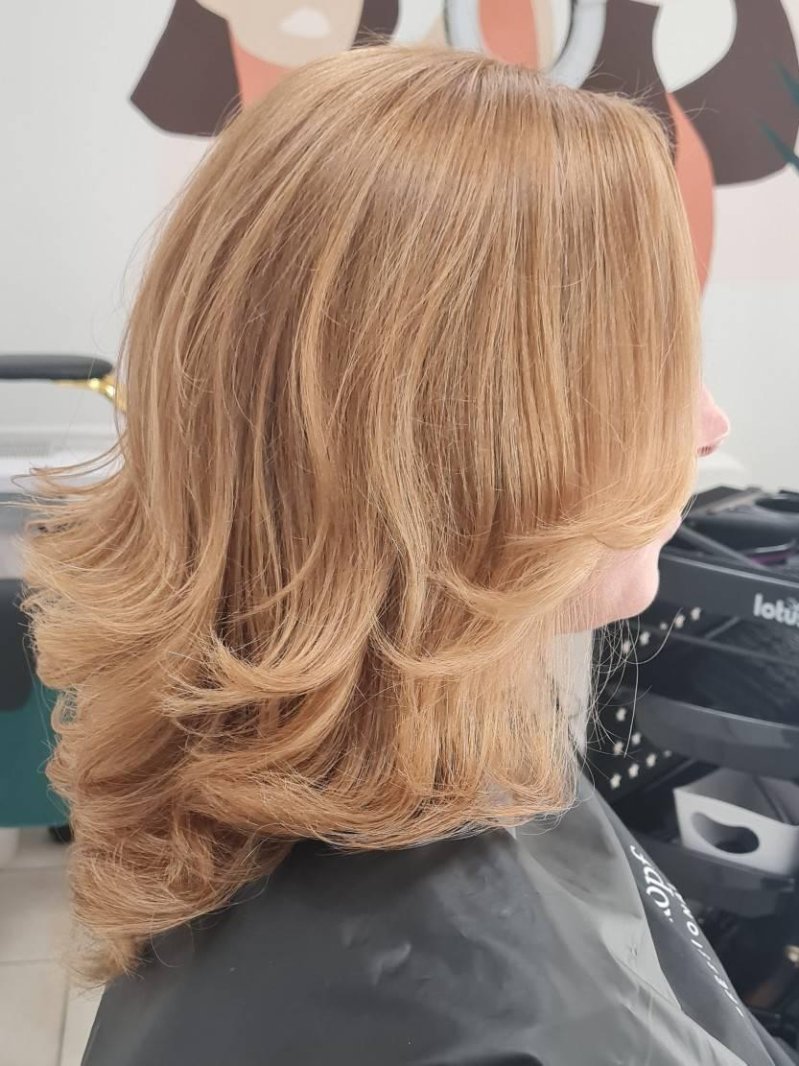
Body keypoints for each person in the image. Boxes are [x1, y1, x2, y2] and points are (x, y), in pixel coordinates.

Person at [27, 45, 782, 1066]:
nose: (708, 423)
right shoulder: (487, 1019)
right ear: (465, 444)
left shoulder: (264, 793)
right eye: (652, 373)